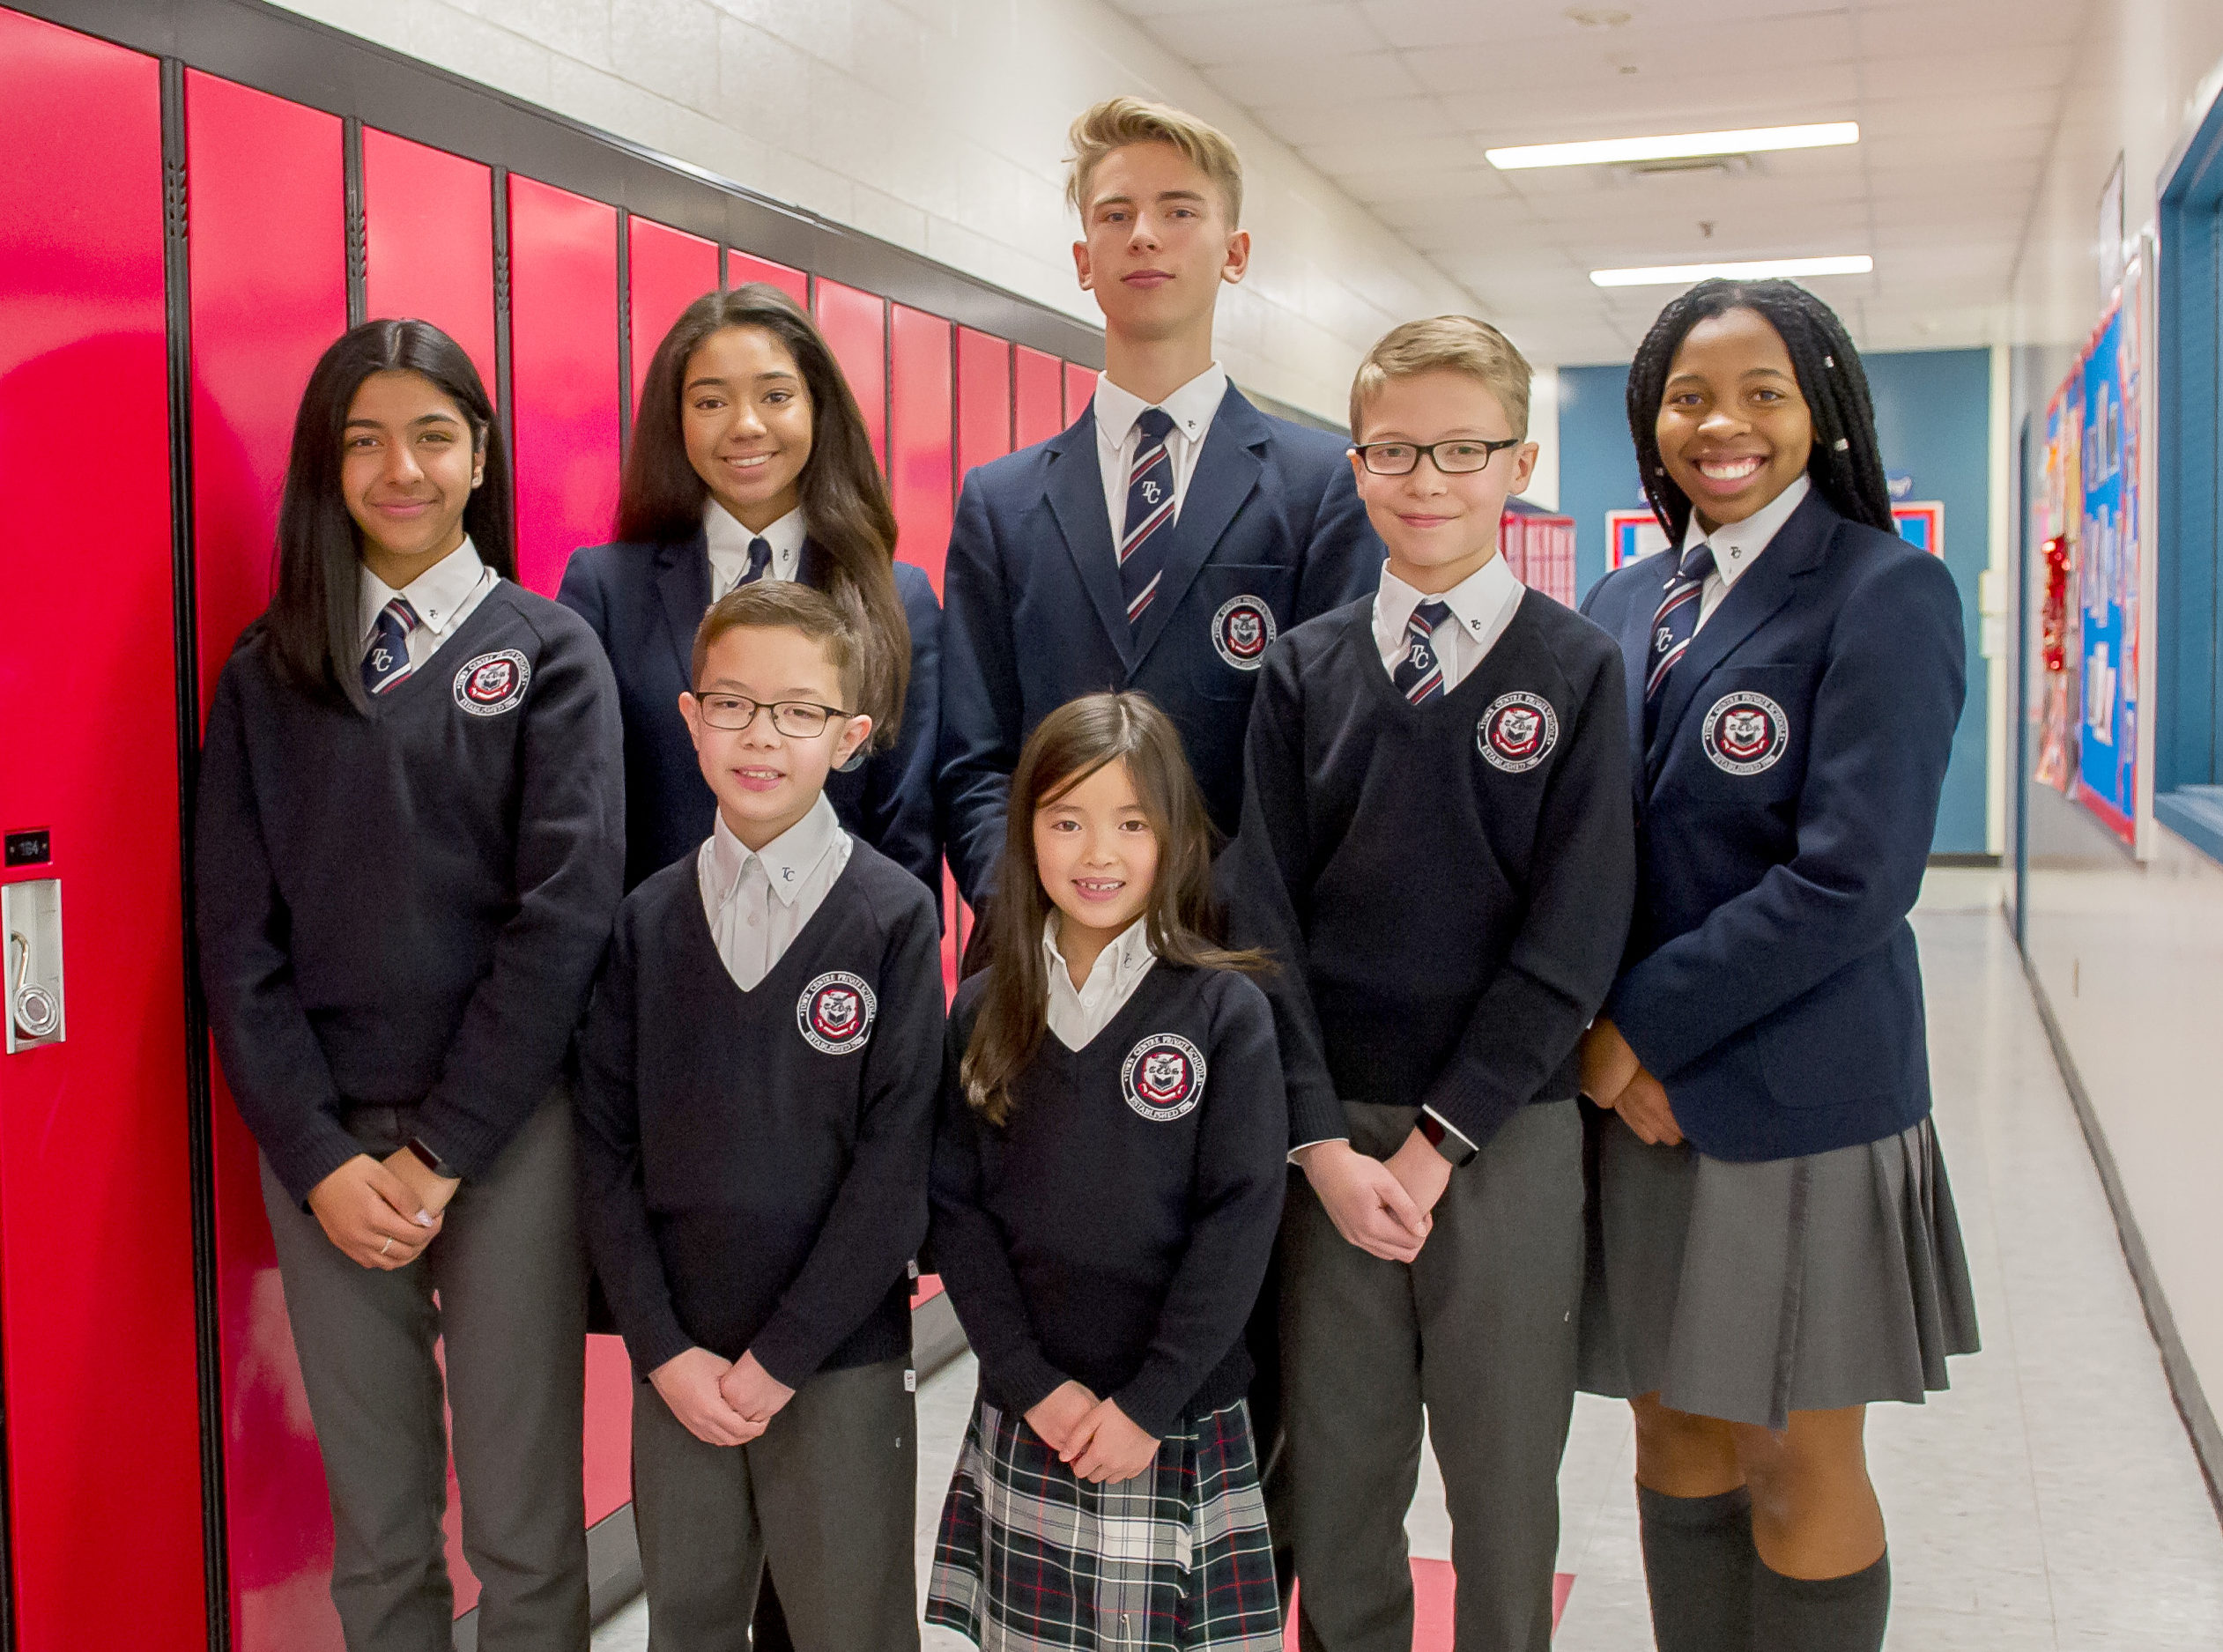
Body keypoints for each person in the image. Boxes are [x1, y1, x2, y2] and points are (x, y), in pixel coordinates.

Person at [196, 319, 624, 1651]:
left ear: (478, 454)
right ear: (328, 466)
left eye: (432, 435)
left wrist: (442, 1147)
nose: (400, 468)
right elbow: (236, 943)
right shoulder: (269, 672)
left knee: (521, 1524)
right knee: (379, 1534)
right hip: (324, 1149)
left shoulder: (547, 652)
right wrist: (321, 1155)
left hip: (503, 1139)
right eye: (364, 438)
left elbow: (560, 918)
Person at [1575, 278, 1980, 1652]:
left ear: (1821, 414)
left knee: (1791, 1452)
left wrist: (1636, 1028)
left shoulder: (1884, 590)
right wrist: (1602, 1043)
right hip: (1631, 1104)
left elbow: (1852, 876)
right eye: (1690, 394)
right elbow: (1579, 847)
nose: (1722, 424)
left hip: (1793, 1094)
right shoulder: (1624, 598)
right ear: (1650, 415)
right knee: (1672, 1424)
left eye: (1763, 392)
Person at [1221, 315, 1635, 1652]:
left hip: (1497, 1140)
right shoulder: (1302, 668)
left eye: (1461, 448)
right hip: (1329, 1144)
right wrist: (1323, 1141)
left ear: (1515, 462)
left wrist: (1443, 1137)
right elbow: (1260, 916)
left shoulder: (1574, 668)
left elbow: (1572, 934)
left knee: (1503, 1496)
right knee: (1340, 1490)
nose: (1426, 478)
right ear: (1353, 464)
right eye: (1394, 449)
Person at [574, 581, 943, 1652]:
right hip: (679, 1360)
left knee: (849, 1622)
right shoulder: (644, 921)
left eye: (798, 712)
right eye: (731, 705)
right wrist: (662, 1349)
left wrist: (781, 1355)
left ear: (851, 735)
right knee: (686, 1619)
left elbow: (897, 1163)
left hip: (837, 1358)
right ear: (689, 720)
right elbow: (605, 1153)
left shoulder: (890, 917)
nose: (761, 736)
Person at [938, 95, 1381, 912]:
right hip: (1042, 970)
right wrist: (1035, 917)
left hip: (1237, 962)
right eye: (1116, 214)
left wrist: (1197, 929)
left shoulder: (1322, 487)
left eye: (1179, 210)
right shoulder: (999, 503)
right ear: (1082, 258)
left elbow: (1330, 755)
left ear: (1234, 251)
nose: (1143, 234)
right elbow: (972, 757)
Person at [924, 693, 1287, 1652]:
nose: (1099, 855)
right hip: (1032, 1411)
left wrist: (1147, 1403)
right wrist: (1030, 1383)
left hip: (1171, 1416)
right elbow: (959, 1216)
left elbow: (1241, 1223)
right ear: (1026, 832)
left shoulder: (1224, 1012)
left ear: (1174, 839)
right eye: (1068, 821)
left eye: (1132, 825)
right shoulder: (983, 1011)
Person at [560, 283, 940, 897]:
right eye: (710, 402)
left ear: (816, 406)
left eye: (776, 396)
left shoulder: (898, 599)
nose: (745, 425)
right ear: (675, 419)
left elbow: (906, 832)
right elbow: (580, 815)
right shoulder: (604, 590)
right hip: (652, 964)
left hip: (833, 971)